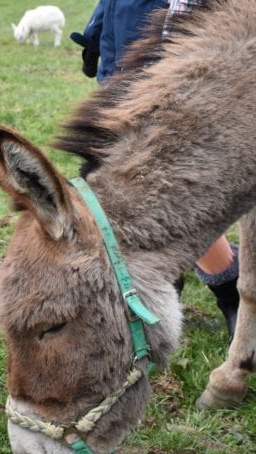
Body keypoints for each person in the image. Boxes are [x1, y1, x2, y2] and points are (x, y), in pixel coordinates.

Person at [70, 0, 240, 342]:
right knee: (130, 192)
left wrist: (179, 71)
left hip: (165, 80)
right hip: (119, 79)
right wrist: (93, 37)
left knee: (171, 197)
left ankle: (231, 290)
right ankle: (167, 284)